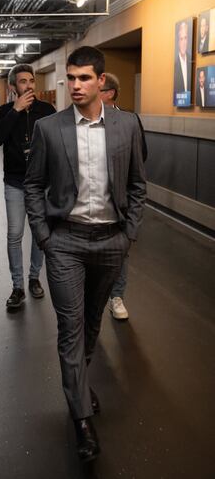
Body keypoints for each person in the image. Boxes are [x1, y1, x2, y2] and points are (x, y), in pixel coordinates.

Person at [24, 46, 146, 461]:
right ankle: (81, 420)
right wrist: (44, 237)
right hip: (66, 243)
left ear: (101, 81)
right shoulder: (48, 128)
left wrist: (128, 234)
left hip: (112, 241)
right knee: (70, 328)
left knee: (92, 323)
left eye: (83, 79)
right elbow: (33, 185)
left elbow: (137, 184)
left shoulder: (128, 126)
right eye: (70, 79)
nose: (74, 86)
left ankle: (78, 384)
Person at [0, 64, 56, 309]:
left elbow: (56, 143)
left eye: (31, 81)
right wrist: (15, 111)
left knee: (40, 233)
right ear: (13, 86)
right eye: (23, 82)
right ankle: (17, 286)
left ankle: (34, 278)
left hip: (41, 184)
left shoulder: (46, 110)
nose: (28, 85)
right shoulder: (6, 110)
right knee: (15, 234)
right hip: (15, 183)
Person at [100, 73, 148, 320]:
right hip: (93, 198)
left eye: (99, 88)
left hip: (121, 198)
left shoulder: (130, 120)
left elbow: (141, 157)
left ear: (109, 93)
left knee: (121, 251)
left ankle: (116, 297)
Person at [174, 21, 191, 96]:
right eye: (181, 39)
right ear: (178, 42)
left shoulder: (191, 61)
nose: (183, 42)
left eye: (185, 38)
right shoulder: (175, 64)